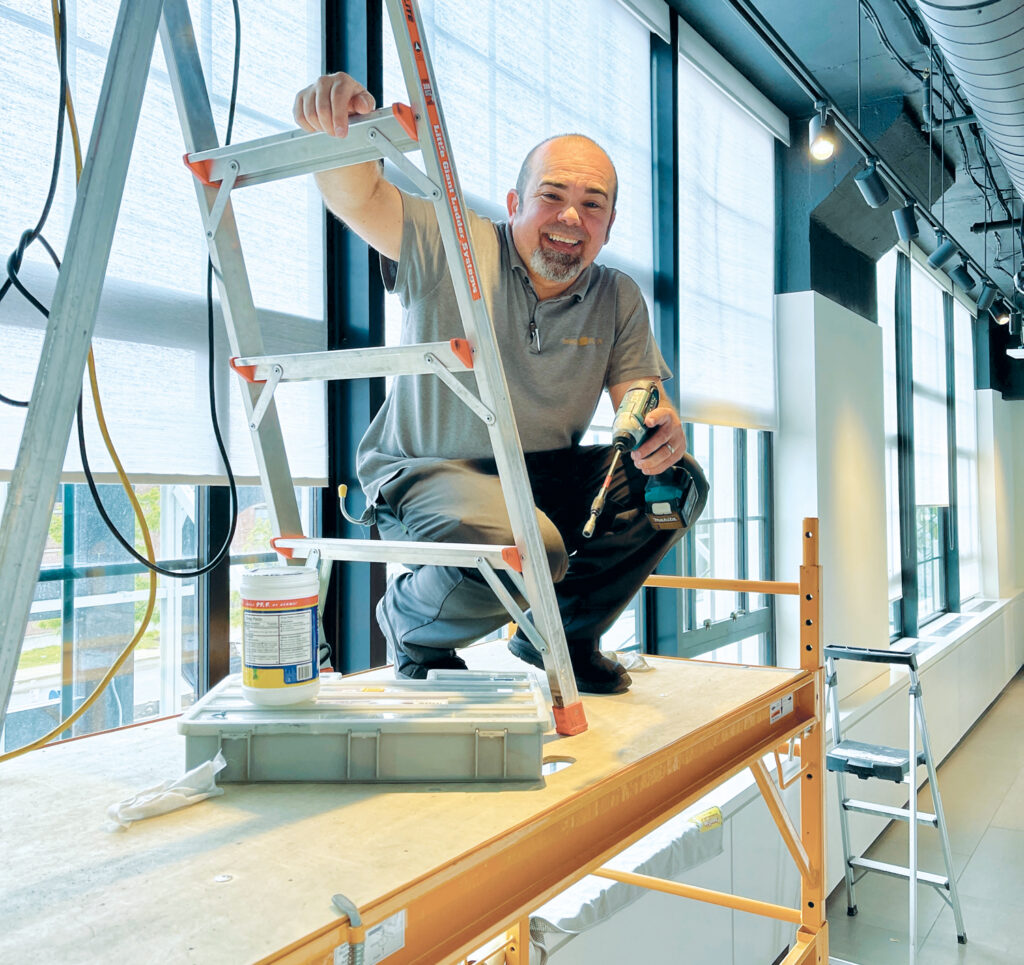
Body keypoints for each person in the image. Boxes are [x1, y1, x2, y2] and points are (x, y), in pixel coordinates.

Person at [294, 72, 706, 695]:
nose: (572, 216)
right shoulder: (452, 244)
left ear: (609, 225)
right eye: (552, 195)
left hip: (542, 473)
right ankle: (409, 625)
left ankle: (562, 633)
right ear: (513, 205)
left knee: (676, 487)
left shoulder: (617, 295)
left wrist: (662, 435)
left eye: (592, 204)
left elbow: (644, 401)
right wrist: (339, 134)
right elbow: (358, 197)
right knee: (528, 546)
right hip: (429, 476)